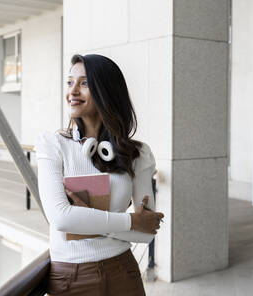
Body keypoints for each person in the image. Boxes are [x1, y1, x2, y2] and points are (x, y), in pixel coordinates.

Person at [35, 54, 164, 295]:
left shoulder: (137, 154)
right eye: (69, 82)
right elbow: (61, 218)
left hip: (123, 270)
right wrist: (130, 221)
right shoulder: (53, 146)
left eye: (84, 83)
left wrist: (83, 217)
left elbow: (145, 233)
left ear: (106, 91)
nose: (72, 91)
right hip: (72, 278)